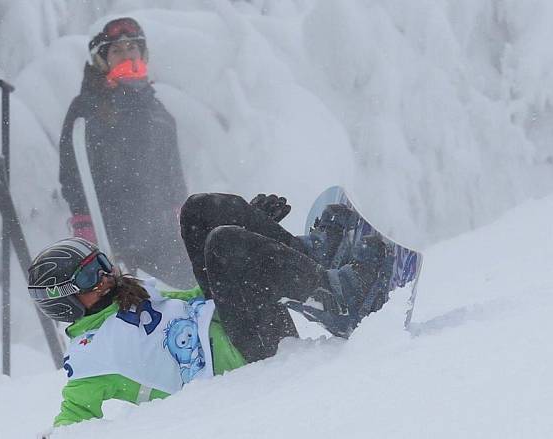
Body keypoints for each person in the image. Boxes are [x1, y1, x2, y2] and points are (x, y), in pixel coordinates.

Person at [28, 193, 392, 427]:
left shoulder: (132, 296)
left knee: (200, 212)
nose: (107, 274)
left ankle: (309, 257)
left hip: (237, 325)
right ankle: (341, 299)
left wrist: (255, 236)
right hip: (244, 356)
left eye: (102, 262)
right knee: (223, 245)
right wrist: (236, 250)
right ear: (67, 298)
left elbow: (197, 299)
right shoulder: (91, 363)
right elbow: (71, 424)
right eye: (92, 273)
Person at [58, 17, 193, 289]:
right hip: (113, 234)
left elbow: (173, 177)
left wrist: (183, 218)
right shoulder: (88, 108)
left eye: (131, 47)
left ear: (142, 53)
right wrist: (84, 220)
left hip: (162, 236)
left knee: (190, 295)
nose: (126, 54)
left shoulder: (159, 113)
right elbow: (72, 171)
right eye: (116, 50)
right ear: (103, 60)